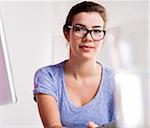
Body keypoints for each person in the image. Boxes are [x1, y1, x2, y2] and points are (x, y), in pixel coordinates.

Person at [33, 1, 116, 128]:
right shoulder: (47, 76)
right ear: (67, 33)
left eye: (97, 31)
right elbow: (53, 126)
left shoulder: (117, 80)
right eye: (80, 29)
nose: (88, 38)